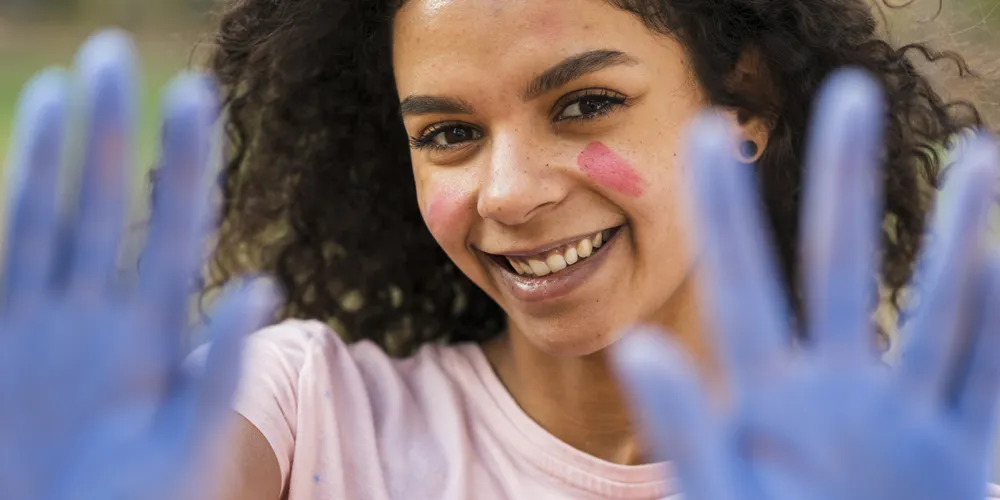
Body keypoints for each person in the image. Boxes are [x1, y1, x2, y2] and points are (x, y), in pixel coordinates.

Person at [1, 1, 999, 500]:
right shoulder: (306, 417)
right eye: (448, 133)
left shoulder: (900, 462)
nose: (510, 191)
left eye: (585, 105)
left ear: (744, 107)